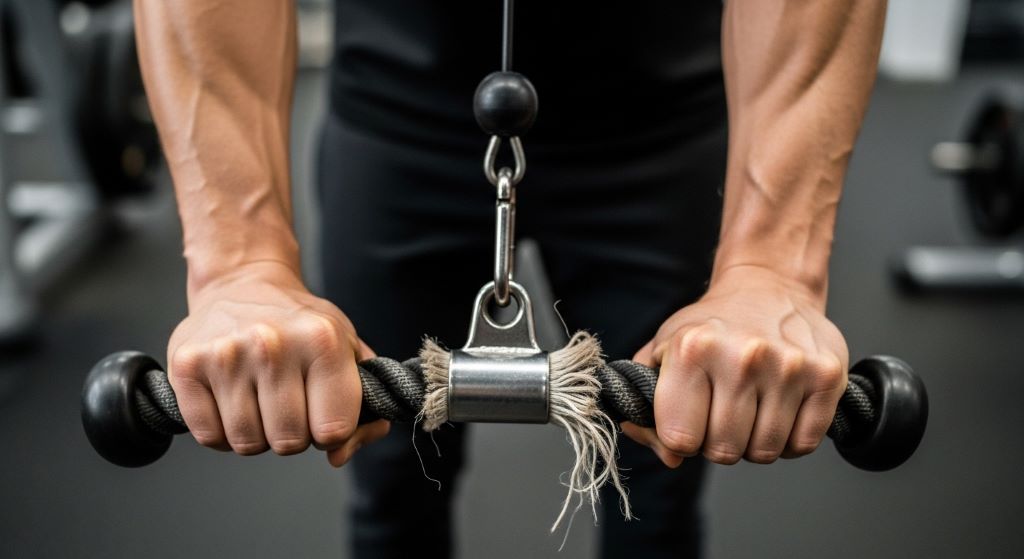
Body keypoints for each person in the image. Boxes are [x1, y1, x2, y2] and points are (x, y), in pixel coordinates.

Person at [133, 1, 887, 557]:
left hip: (661, 117)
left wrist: (771, 267)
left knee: (664, 469)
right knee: (390, 481)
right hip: (397, 105)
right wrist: (241, 263)